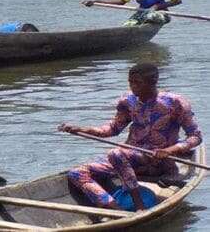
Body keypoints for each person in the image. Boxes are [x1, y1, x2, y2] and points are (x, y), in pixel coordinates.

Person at [59, 63, 201, 211]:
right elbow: (112, 129)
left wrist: (170, 150)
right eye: (130, 82)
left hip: (158, 161)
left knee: (116, 153)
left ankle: (139, 206)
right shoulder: (128, 101)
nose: (133, 87)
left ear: (153, 81)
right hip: (127, 160)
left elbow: (195, 137)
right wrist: (82, 129)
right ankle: (115, 209)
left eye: (137, 83)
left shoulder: (175, 102)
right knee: (77, 173)